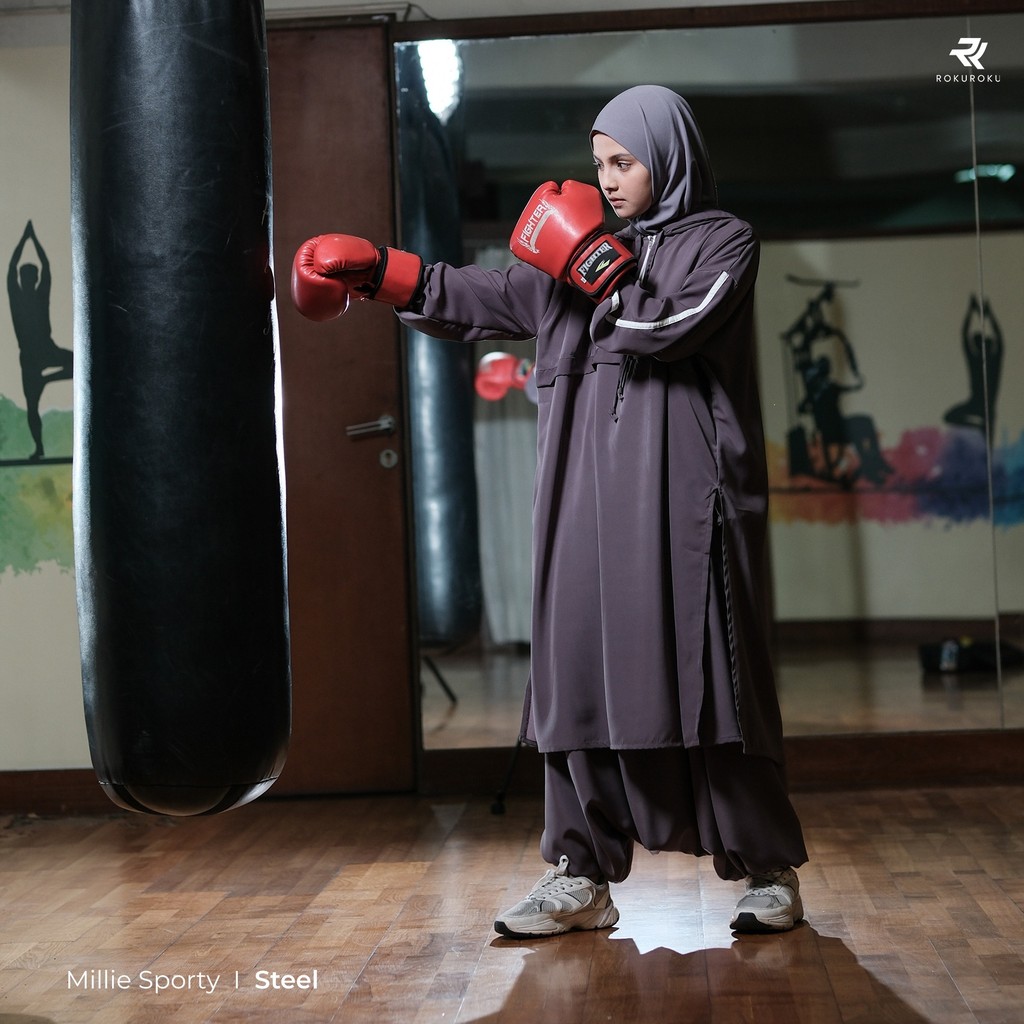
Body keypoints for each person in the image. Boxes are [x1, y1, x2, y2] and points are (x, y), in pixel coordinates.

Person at [291, 85, 808, 937]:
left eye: (624, 161)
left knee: (708, 680)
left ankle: (768, 869)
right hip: (580, 501)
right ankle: (579, 875)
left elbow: (669, 325)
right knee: (574, 679)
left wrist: (595, 266)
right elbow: (483, 297)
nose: (607, 179)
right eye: (599, 162)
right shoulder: (575, 256)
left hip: (686, 506)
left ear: (669, 156)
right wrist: (379, 271)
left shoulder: (723, 241)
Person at [7, 220, 74, 460]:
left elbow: (45, 265)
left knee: (80, 364)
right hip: (30, 357)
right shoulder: (16, 296)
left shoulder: (40, 294)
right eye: (27, 276)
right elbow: (13, 267)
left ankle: (47, 379)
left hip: (46, 350)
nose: (29, 279)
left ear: (34, 279)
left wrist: (31, 239)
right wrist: (28, 239)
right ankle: (39, 448)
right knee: (32, 406)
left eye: (31, 276)